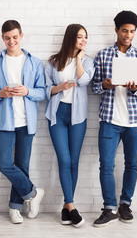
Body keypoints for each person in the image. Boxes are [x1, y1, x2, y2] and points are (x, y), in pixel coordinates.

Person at [0, 20, 45, 225]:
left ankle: (15, 207)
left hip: (27, 122)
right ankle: (33, 193)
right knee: (4, 164)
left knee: (22, 165)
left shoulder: (34, 62)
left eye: (15, 37)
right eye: (7, 37)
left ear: (21, 36)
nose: (12, 41)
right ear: (3, 38)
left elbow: (42, 92)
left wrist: (27, 91)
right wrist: (1, 93)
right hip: (4, 122)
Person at [91, 10, 137, 227]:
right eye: (124, 30)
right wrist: (104, 85)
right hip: (109, 119)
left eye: (132, 31)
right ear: (116, 30)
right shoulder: (103, 55)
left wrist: (135, 89)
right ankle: (109, 207)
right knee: (106, 165)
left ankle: (125, 204)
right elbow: (95, 87)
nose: (128, 35)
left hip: (133, 121)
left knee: (131, 164)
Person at [45, 24, 95, 228]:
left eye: (85, 37)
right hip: (57, 114)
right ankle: (72, 207)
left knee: (74, 161)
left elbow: (84, 81)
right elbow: (46, 89)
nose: (83, 40)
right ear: (70, 38)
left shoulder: (89, 61)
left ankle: (66, 207)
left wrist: (79, 59)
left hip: (78, 116)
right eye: (79, 37)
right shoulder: (54, 61)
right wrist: (61, 87)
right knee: (64, 159)